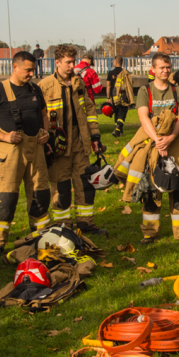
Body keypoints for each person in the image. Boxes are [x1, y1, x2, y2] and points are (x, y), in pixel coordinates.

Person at [0, 51, 51, 261]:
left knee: (40, 194)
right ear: (15, 67)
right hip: (10, 151)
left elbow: (44, 115)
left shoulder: (35, 89)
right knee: (6, 198)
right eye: (28, 70)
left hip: (35, 149)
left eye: (33, 69)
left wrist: (46, 132)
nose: (32, 74)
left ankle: (40, 237)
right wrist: (2, 136)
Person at [39, 45, 105, 234]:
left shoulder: (78, 83)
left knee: (85, 183)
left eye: (73, 61)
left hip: (80, 142)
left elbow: (90, 110)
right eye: (68, 62)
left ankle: (86, 223)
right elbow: (39, 116)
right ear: (57, 62)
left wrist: (95, 136)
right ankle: (63, 226)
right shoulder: (45, 86)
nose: (72, 66)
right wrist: (45, 141)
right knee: (61, 186)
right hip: (58, 145)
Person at [132, 52, 179, 244]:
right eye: (161, 67)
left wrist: (171, 138)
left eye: (168, 67)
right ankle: (150, 233)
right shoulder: (145, 91)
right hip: (152, 143)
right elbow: (143, 117)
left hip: (174, 144)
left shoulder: (178, 91)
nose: (166, 70)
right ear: (153, 70)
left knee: (177, 186)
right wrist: (158, 140)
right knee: (151, 188)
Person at [106, 55, 135, 137]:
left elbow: (108, 86)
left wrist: (108, 97)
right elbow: (130, 84)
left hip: (114, 97)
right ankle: (118, 129)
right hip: (124, 96)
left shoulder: (111, 73)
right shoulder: (126, 72)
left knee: (116, 113)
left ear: (115, 63)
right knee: (122, 113)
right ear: (122, 63)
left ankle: (118, 130)